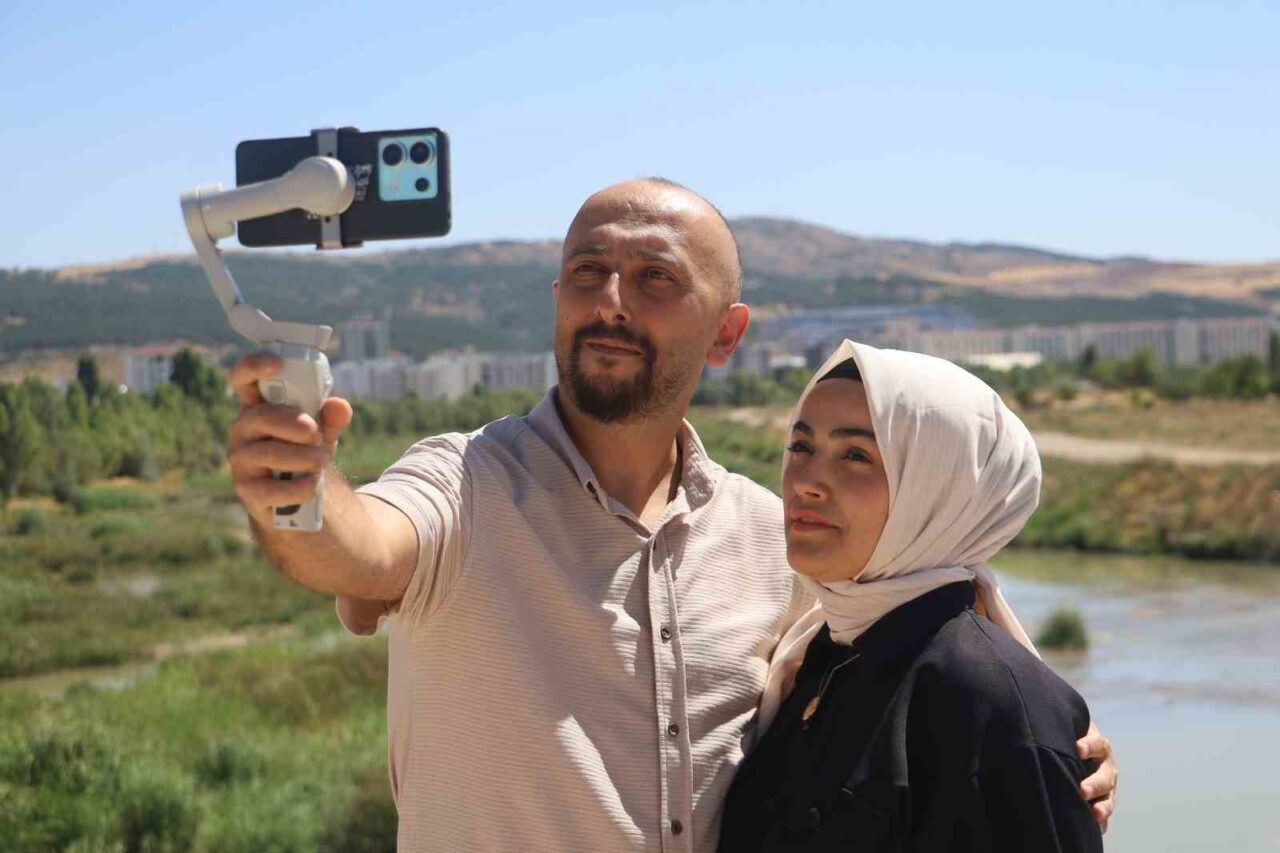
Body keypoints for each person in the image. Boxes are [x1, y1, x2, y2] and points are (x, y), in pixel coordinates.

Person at [225, 179, 1116, 851]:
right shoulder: (465, 482)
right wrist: (295, 486)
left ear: (726, 333)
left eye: (654, 278)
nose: (611, 301)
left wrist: (1037, 743)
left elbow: (905, 651)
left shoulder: (777, 542)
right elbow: (358, 546)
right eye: (588, 272)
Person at [719, 339, 1104, 852]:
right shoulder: (815, 657)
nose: (806, 482)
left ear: (938, 489)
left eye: (856, 455)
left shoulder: (993, 703)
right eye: (801, 447)